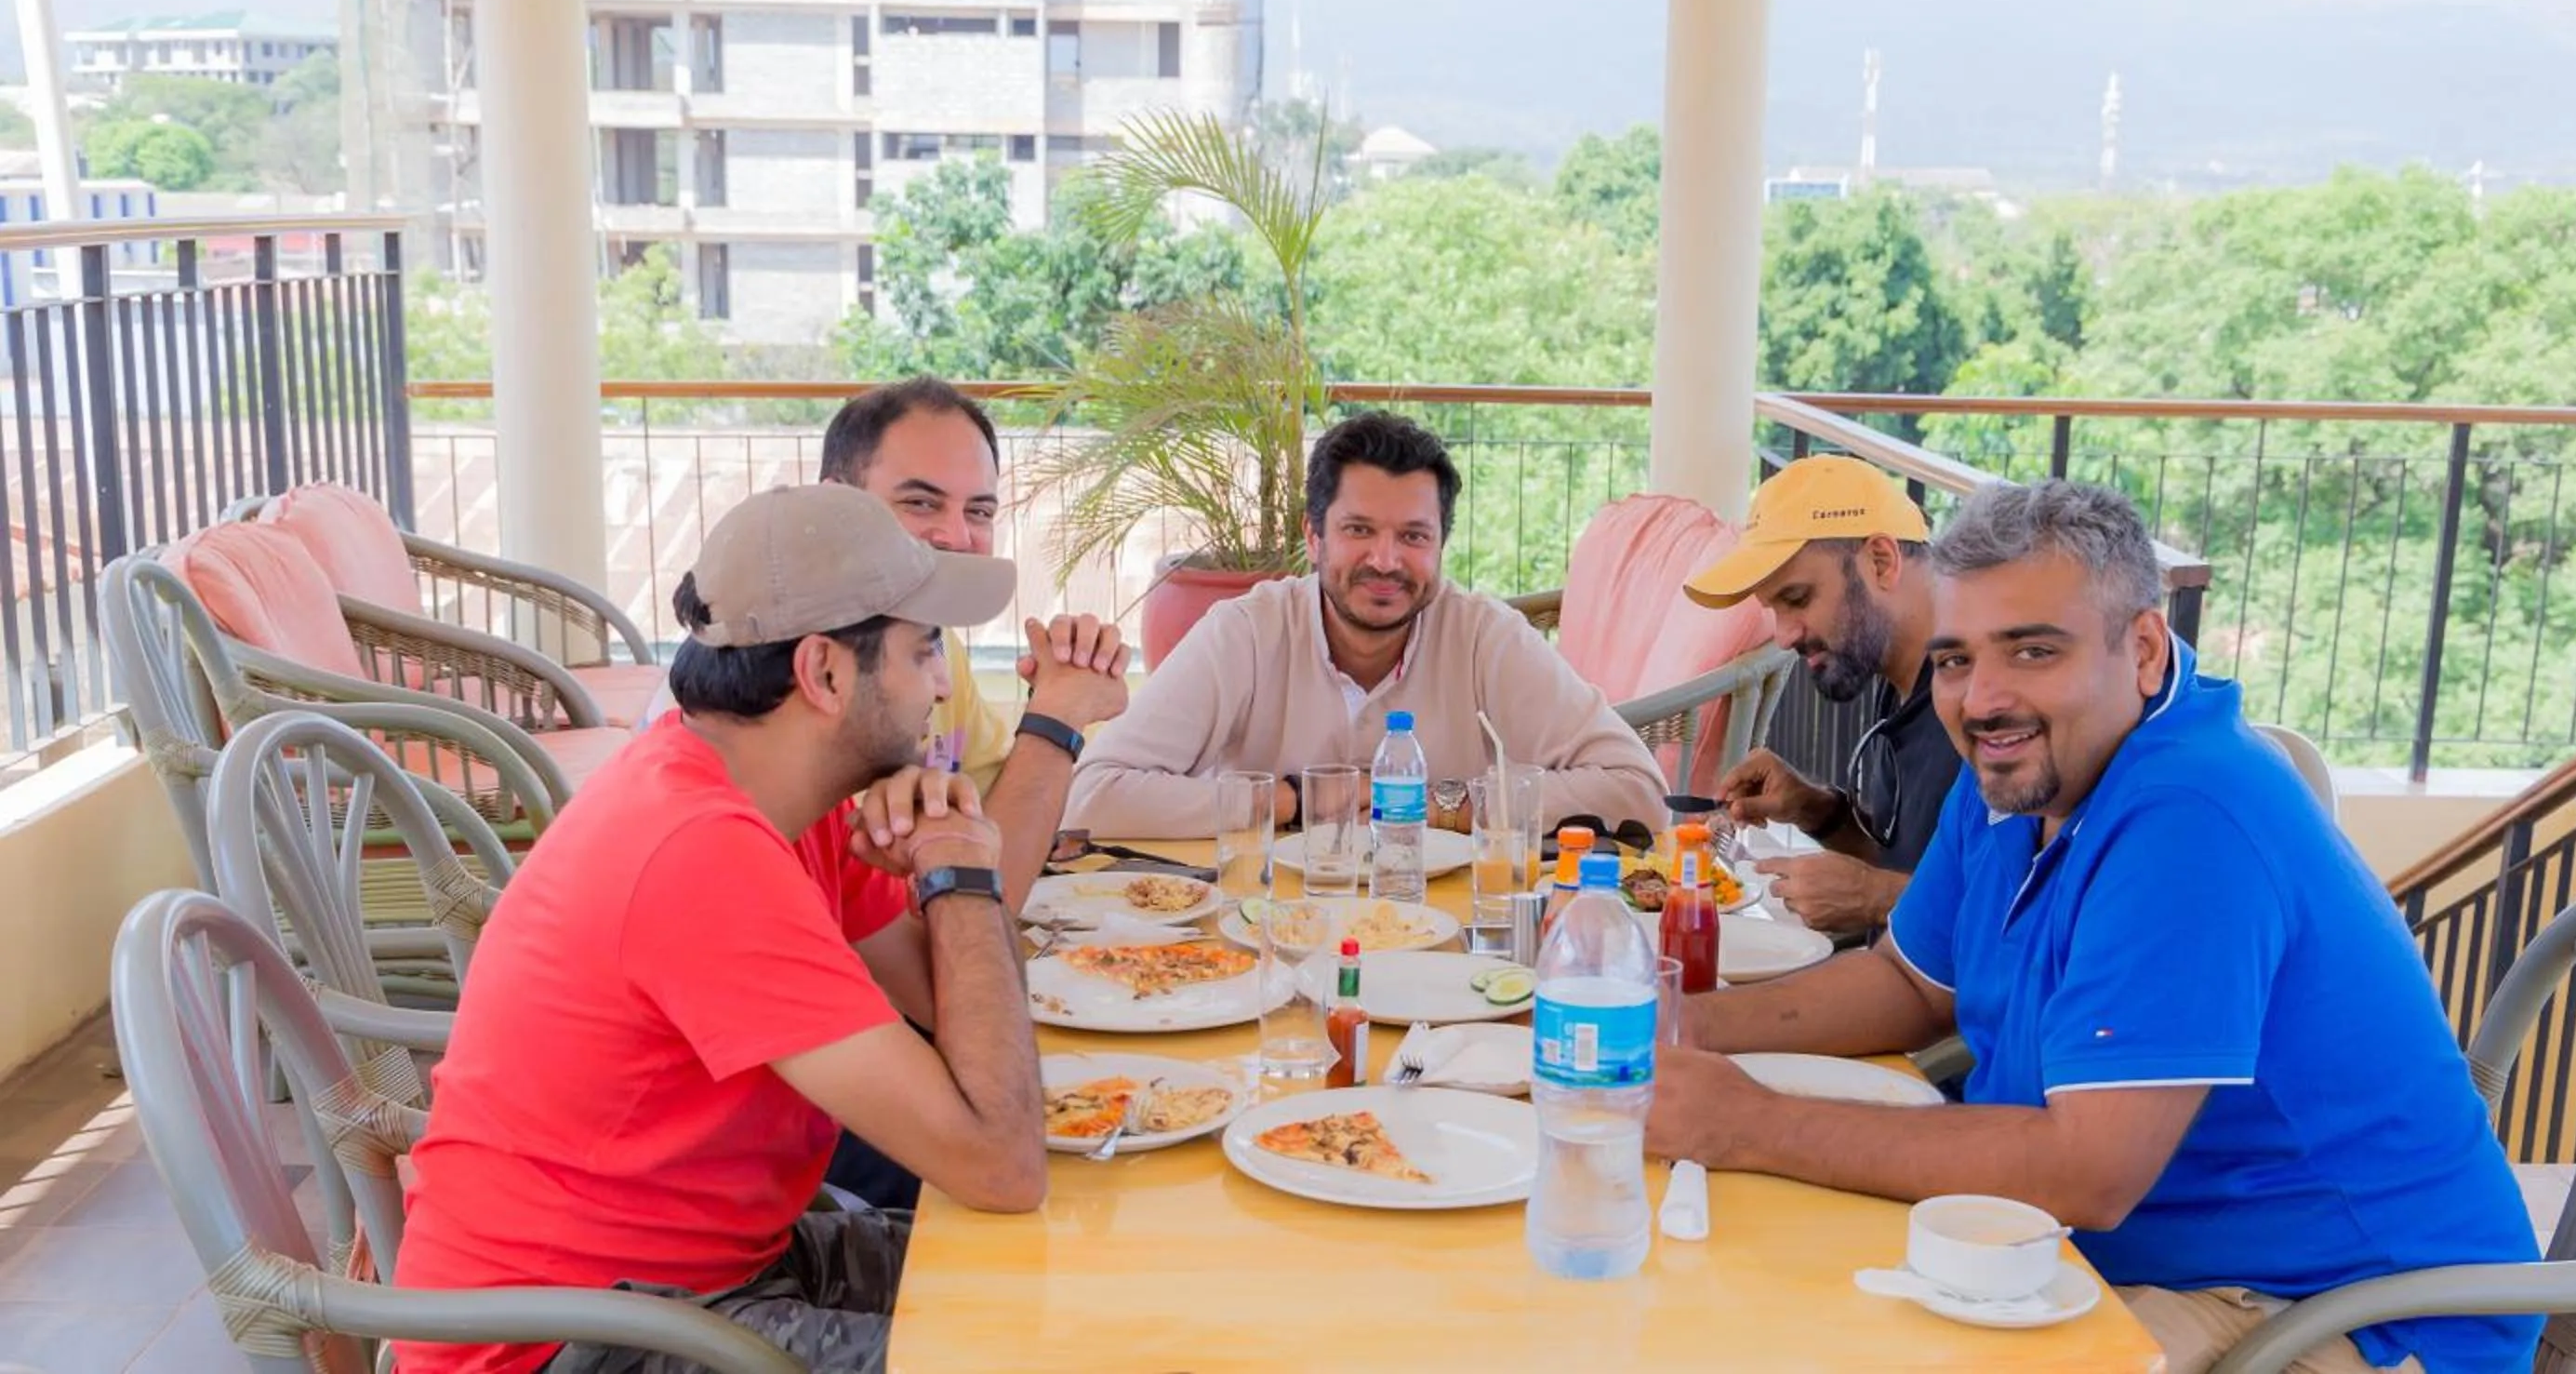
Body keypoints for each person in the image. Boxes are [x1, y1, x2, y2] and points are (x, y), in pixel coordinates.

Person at [1648, 480, 2539, 1374]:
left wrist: (1751, 1125)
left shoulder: (2188, 813)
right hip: (2146, 1257)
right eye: (1955, 660)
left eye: (2033, 651)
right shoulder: (2019, 767)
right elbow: (1911, 983)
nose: (1983, 698)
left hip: (2345, 1312)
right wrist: (1667, 1026)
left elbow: (2086, 1173)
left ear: (2144, 649)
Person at [395, 485, 1047, 1374]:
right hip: (566, 1341)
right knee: (1038, 1347)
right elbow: (999, 1160)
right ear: (823, 673)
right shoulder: (702, 852)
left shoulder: (775, 798)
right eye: (925, 650)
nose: (942, 682)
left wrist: (947, 860)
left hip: (700, 1275)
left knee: (1063, 1283)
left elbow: (959, 1016)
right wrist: (961, 870)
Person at [1064, 409, 1667, 837]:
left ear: (1440, 547)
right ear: (1314, 537)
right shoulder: (1246, 632)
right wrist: (1295, 800)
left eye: (1413, 536)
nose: (1385, 560)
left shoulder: (1483, 634)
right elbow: (1091, 795)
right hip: (1257, 931)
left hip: (1444, 938)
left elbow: (1638, 789)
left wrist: (1437, 804)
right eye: (1359, 531)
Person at [818, 376, 1131, 913]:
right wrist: (1056, 719)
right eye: (920, 502)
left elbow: (1000, 834)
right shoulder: (798, 670)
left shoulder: (936, 641)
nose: (957, 537)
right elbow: (976, 907)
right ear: (833, 505)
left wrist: (1053, 699)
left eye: (979, 512)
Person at [1682, 455, 1959, 942]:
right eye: (1774, 610)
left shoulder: (1985, 705)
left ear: (1881, 561)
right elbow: (1909, 867)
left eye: (1798, 598)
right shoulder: (1900, 681)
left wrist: (1877, 897)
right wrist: (1815, 809)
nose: (1785, 637)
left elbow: (2026, 915)